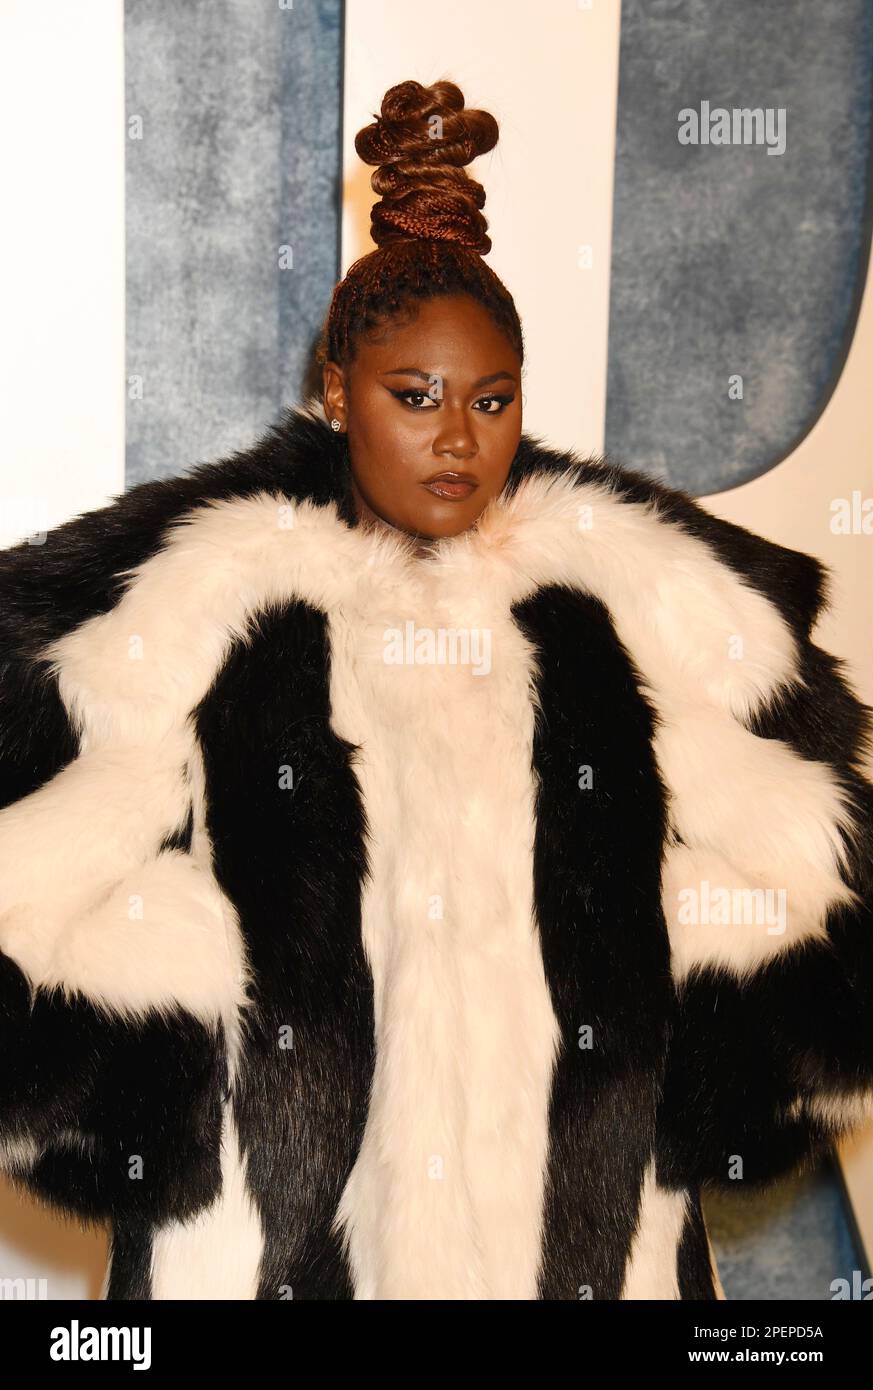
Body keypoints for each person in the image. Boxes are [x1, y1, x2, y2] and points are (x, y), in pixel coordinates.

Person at [1, 77, 872, 1302]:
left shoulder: (643, 606)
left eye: (491, 399)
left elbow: (829, 911)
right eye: (414, 396)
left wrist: (645, 1019)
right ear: (338, 391)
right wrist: (195, 1062)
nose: (457, 436)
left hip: (577, 1263)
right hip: (261, 1267)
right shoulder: (198, 601)